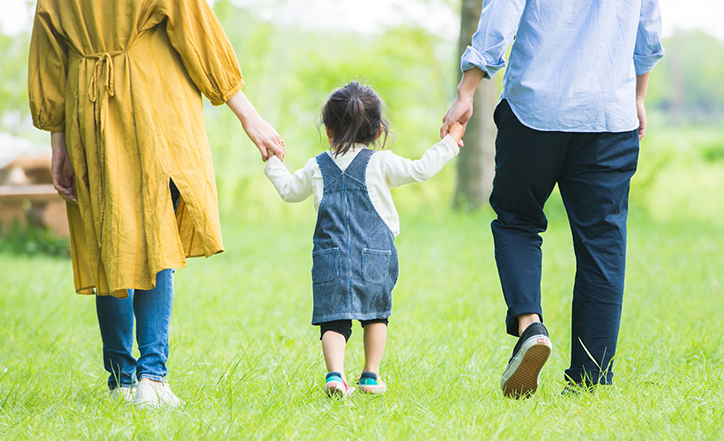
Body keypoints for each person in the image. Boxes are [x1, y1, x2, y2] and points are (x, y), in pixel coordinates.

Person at [28, 0, 285, 407]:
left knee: (109, 237)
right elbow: (196, 33)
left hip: (88, 113)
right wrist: (248, 115)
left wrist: (58, 140)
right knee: (155, 233)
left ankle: (121, 380)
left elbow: (49, 58)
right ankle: (153, 377)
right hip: (152, 106)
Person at [441, 0, 665, 398]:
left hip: (535, 110)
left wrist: (467, 89)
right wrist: (638, 96)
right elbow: (648, 32)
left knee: (517, 221)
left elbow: (501, 14)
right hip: (609, 116)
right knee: (603, 243)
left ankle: (531, 327)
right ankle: (591, 379)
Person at [264, 82, 464, 397]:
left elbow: (289, 191)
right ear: (377, 130)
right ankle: (370, 376)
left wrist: (272, 161)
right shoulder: (381, 162)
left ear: (328, 130)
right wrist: (450, 142)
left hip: (330, 257)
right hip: (376, 256)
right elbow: (422, 170)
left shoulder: (317, 166)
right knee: (376, 315)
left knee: (334, 320)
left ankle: (335, 375)